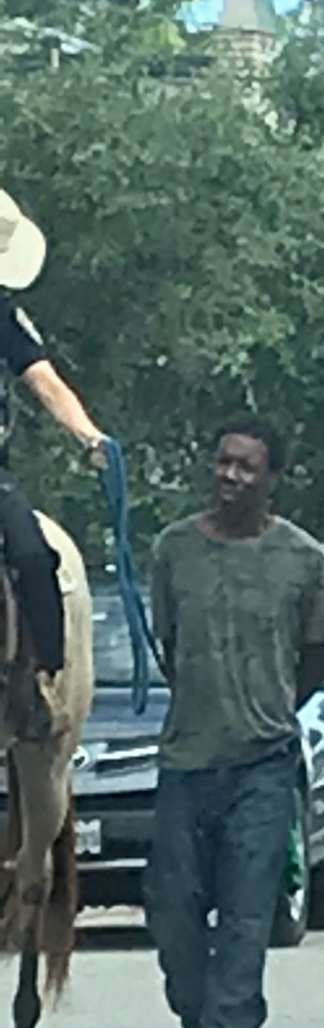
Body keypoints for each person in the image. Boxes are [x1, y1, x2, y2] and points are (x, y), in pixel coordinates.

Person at [143, 418, 324, 1028]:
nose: (230, 475)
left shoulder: (303, 561)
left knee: (247, 916)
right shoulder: (175, 550)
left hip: (263, 765)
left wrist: (268, 706)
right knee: (173, 915)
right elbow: (169, 645)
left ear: (272, 478)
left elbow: (313, 660)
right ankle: (198, 1024)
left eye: (246, 466)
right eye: (223, 461)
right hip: (185, 762)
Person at [0, 188, 108, 737]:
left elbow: (44, 380)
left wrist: (89, 435)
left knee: (32, 555)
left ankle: (37, 680)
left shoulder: (3, 315)